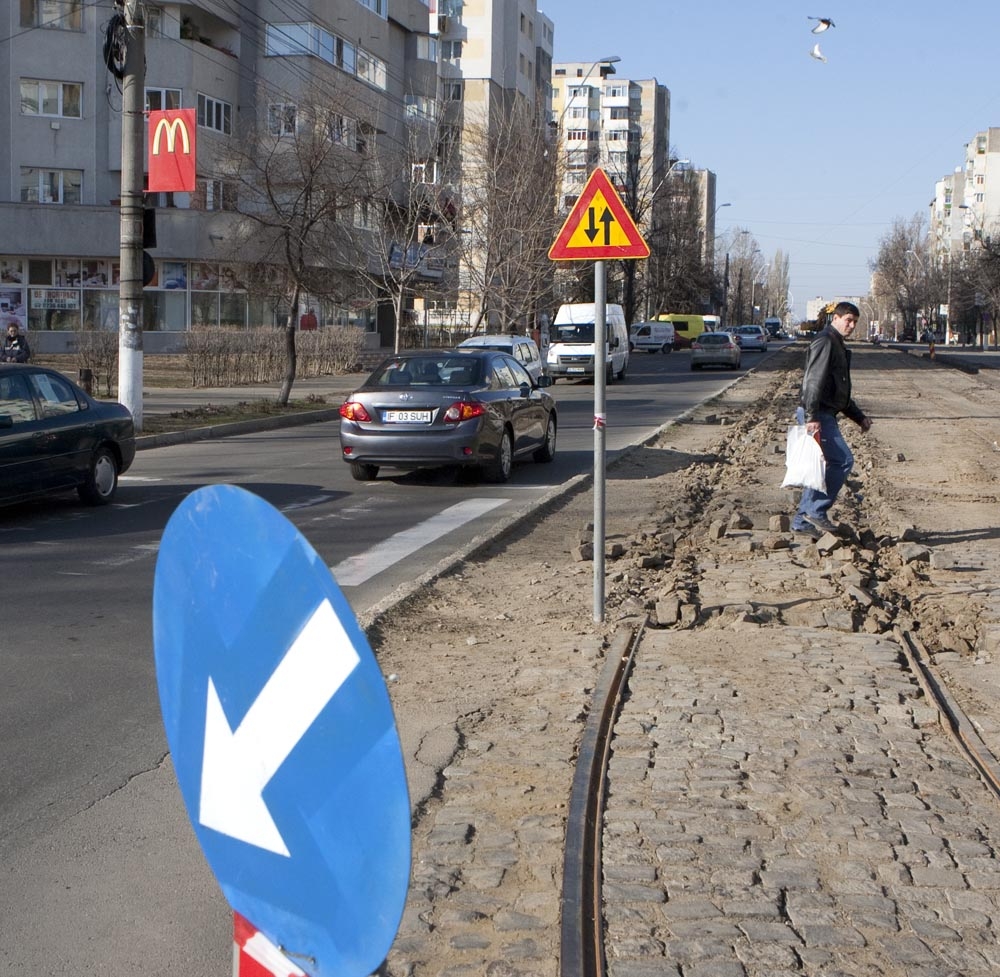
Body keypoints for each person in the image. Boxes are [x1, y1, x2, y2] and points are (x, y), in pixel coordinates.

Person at [791, 301, 872, 539]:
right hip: (818, 413)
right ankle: (815, 510)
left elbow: (839, 390)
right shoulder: (826, 341)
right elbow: (813, 380)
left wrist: (859, 417)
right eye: (848, 319)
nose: (851, 325)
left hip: (824, 411)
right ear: (835, 318)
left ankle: (802, 521)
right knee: (842, 460)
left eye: (855, 321)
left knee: (818, 468)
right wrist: (812, 415)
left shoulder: (836, 343)